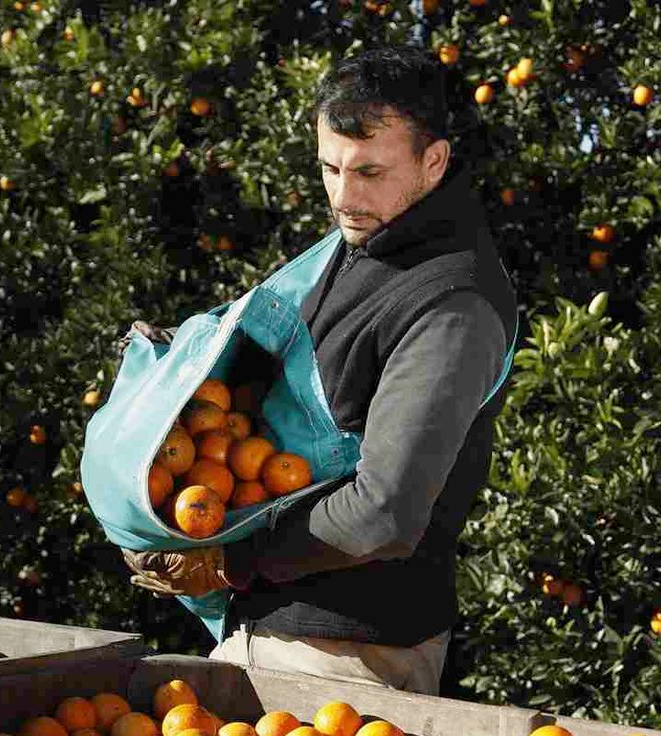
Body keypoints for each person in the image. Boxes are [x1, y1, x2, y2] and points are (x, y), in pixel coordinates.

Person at [120, 46, 517, 695]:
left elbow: (383, 511)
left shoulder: (452, 306)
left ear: (434, 160)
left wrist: (228, 560)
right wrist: (179, 378)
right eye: (331, 168)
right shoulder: (371, 238)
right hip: (273, 627)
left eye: (368, 171)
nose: (343, 195)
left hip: (346, 653)